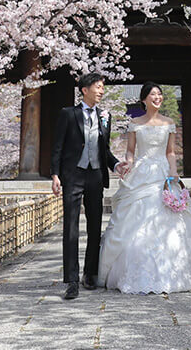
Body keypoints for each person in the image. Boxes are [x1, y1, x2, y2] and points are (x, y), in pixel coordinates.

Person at [97, 82, 191, 294]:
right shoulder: (135, 123)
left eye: (159, 94)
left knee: (173, 220)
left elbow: (170, 152)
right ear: (144, 99)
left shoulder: (169, 122)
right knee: (135, 221)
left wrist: (173, 171)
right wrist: (127, 164)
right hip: (142, 173)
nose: (157, 97)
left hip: (163, 173)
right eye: (153, 94)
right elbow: (130, 151)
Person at [51, 72, 119, 300]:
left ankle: (89, 274)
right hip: (73, 175)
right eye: (98, 87)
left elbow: (104, 149)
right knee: (71, 228)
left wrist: (117, 165)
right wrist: (55, 174)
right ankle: (71, 280)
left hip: (96, 176)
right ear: (84, 90)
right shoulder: (68, 114)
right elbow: (58, 146)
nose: (101, 91)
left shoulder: (105, 116)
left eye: (102, 87)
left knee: (94, 226)